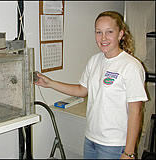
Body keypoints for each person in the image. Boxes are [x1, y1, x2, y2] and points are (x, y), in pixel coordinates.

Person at [35, 11, 148, 159]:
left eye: (109, 32)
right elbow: (82, 90)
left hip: (114, 145)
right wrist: (50, 83)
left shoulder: (131, 66)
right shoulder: (95, 60)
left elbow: (136, 111)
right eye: (99, 32)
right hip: (91, 139)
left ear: (120, 34)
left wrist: (129, 152)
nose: (103, 38)